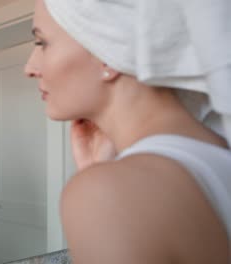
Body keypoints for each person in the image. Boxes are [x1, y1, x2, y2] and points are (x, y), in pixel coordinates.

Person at [25, 0, 231, 263]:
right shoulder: (217, 152)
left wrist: (98, 190)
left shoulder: (108, 192)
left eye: (42, 43)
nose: (29, 68)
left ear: (107, 55)